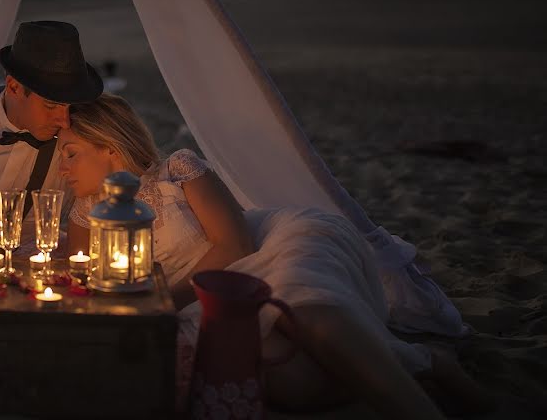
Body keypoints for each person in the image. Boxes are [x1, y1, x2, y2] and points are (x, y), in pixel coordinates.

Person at [59, 93, 485, 419]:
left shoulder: (177, 170)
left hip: (263, 249)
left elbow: (235, 246)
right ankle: (425, 364)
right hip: (195, 301)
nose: (62, 166)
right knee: (297, 384)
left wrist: (163, 304)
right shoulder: (83, 213)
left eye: (71, 151)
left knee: (306, 310)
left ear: (109, 147)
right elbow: (85, 286)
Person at [0, 21, 103, 255]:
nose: (64, 121)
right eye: (51, 105)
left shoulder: (78, 131)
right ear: (14, 87)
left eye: (68, 106)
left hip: (38, 255)